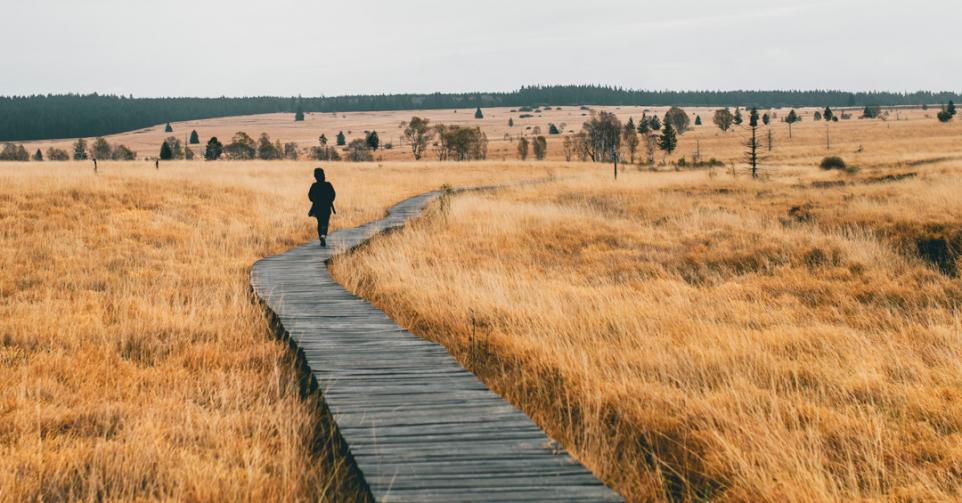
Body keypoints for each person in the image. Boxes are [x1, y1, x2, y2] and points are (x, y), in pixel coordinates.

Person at [308, 167, 336, 247]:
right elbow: (333, 195)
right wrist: (329, 200)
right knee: (325, 222)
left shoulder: (314, 185)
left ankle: (321, 236)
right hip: (326, 207)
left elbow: (310, 196)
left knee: (320, 222)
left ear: (315, 176)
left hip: (317, 207)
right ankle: (323, 235)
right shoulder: (328, 185)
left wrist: (315, 200)